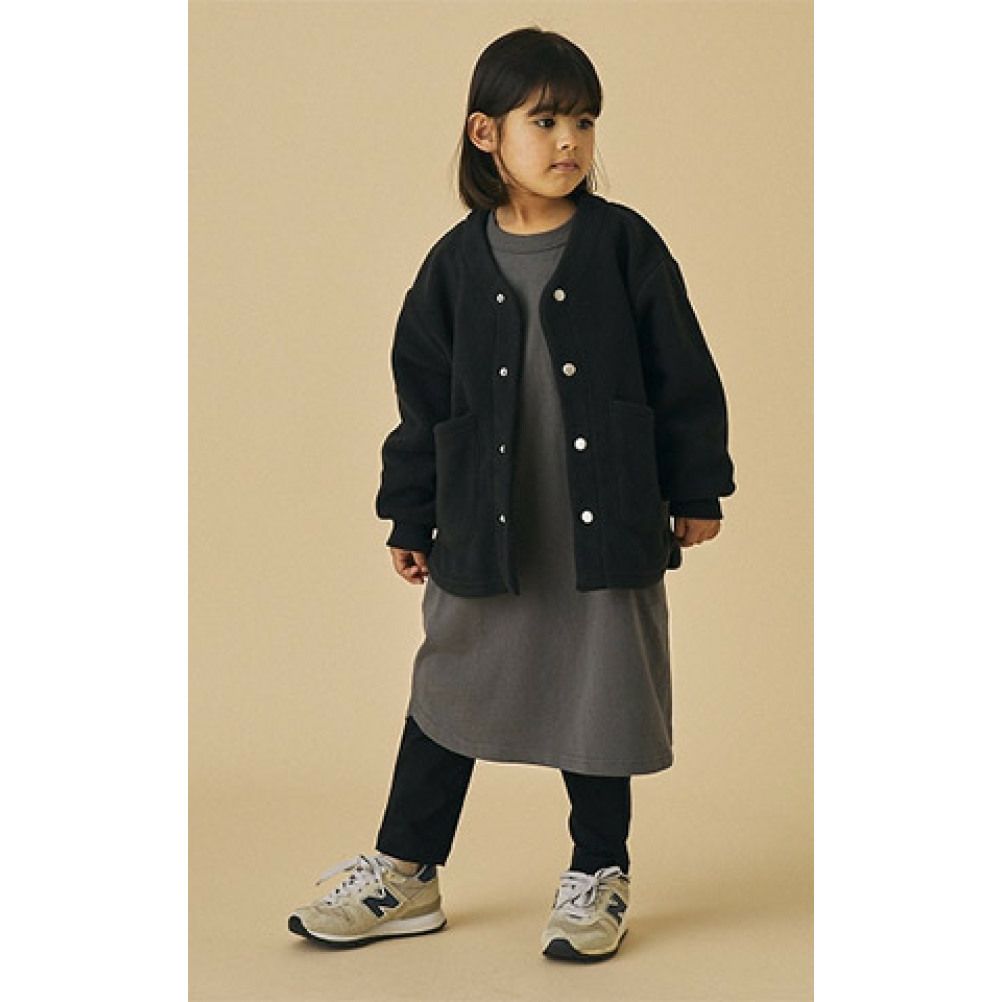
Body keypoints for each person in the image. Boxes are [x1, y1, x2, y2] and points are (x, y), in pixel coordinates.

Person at [288, 26, 736, 963]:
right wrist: (411, 512)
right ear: (486, 133)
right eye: (546, 120)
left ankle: (598, 872)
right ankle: (407, 870)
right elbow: (422, 403)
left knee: (599, 687)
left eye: (584, 121)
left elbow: (683, 372)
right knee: (450, 682)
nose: (570, 140)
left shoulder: (624, 245)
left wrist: (697, 485)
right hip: (488, 523)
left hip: (602, 521)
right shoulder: (453, 266)